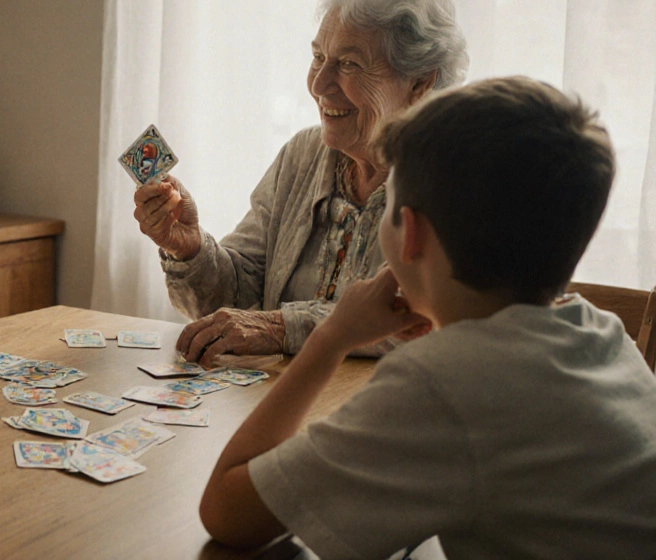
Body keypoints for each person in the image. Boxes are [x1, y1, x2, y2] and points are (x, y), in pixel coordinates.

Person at [199, 77, 656, 557]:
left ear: (410, 234)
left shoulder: (444, 386)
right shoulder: (604, 336)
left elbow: (228, 513)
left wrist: (331, 337)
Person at [134, 0, 468, 367]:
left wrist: (279, 328)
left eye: (349, 64)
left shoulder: (452, 177)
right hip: (287, 392)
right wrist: (188, 249)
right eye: (318, 56)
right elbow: (236, 298)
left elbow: (414, 319)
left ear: (419, 82)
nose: (318, 84)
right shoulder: (302, 156)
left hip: (391, 397)